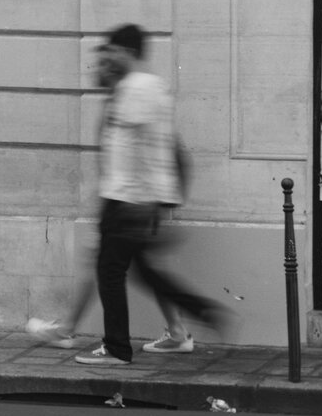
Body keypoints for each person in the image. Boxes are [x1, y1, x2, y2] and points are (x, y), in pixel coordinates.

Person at [74, 25, 222, 371]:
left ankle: (117, 348)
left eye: (112, 52)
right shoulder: (148, 86)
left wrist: (142, 202)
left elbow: (143, 151)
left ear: (127, 52)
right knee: (141, 270)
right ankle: (198, 315)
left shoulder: (136, 90)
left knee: (110, 271)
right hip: (131, 197)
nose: (107, 59)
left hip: (127, 198)